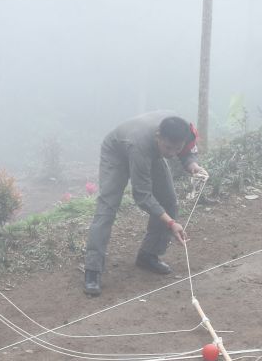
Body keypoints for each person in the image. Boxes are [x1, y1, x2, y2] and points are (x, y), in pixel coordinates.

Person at [82, 112, 209, 297]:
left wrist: (192, 165)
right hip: (117, 152)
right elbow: (142, 196)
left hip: (152, 152)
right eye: (168, 147)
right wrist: (171, 223)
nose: (172, 153)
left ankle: (148, 255)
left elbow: (187, 151)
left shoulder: (184, 132)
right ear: (158, 136)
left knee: (169, 202)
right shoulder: (140, 144)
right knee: (107, 209)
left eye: (176, 148)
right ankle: (92, 271)